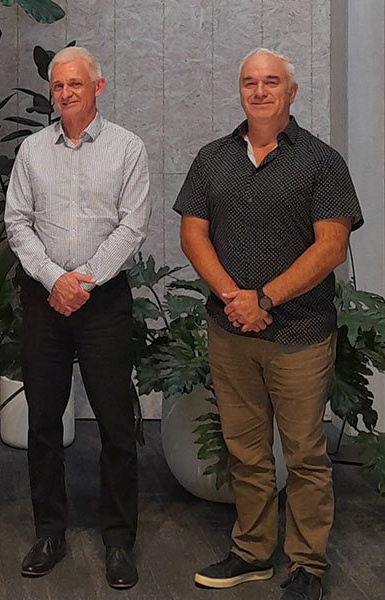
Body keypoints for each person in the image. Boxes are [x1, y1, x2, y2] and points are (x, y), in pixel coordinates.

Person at [175, 48, 363, 600]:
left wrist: (266, 298)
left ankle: (308, 564)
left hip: (299, 335)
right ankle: (253, 552)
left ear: (291, 93)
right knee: (246, 451)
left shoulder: (322, 162)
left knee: (304, 453)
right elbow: (193, 233)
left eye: (271, 82)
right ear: (241, 91)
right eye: (250, 82)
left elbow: (332, 247)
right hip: (231, 331)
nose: (259, 91)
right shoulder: (213, 159)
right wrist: (235, 298)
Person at [4, 46, 149, 588]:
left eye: (75, 84)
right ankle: (49, 530)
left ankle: (118, 539)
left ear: (99, 87)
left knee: (115, 423)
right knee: (43, 422)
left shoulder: (127, 148)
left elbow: (131, 227)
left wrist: (82, 281)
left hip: (102, 303)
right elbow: (17, 222)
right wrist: (53, 279)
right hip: (45, 302)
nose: (65, 93)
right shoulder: (33, 150)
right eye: (57, 85)